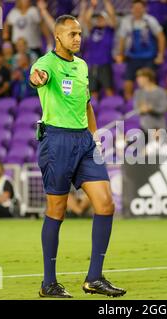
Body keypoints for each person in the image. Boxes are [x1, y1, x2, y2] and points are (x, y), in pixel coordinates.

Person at [29, 15, 126, 298]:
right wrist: (37, 79)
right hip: (56, 141)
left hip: (84, 141)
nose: (78, 38)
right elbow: (37, 77)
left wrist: (94, 138)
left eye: (79, 34)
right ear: (57, 37)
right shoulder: (45, 63)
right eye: (72, 34)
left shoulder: (82, 66)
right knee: (57, 212)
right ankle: (49, 283)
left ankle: (94, 278)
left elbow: (87, 105)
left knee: (106, 204)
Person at [117, 0, 166, 100]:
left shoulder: (150, 20)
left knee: (148, 83)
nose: (137, 10)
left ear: (144, 9)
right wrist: (120, 54)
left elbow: (161, 37)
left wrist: (160, 55)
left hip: (148, 58)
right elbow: (122, 39)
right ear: (132, 9)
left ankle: (150, 103)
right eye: (135, 8)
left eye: (139, 8)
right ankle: (130, 107)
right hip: (132, 57)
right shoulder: (127, 21)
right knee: (128, 84)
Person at [81, 0, 117, 100]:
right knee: (93, 91)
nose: (100, 20)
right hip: (92, 65)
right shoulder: (93, 30)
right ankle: (95, 112)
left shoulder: (109, 30)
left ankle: (111, 109)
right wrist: (92, 6)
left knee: (108, 89)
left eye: (103, 19)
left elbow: (113, 15)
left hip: (105, 63)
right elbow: (86, 19)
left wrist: (106, 3)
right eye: (99, 19)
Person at [134, 68, 167, 138]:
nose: (137, 80)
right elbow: (137, 110)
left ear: (146, 78)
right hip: (144, 128)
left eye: (139, 78)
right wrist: (141, 110)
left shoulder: (161, 92)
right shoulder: (138, 93)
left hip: (159, 129)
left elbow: (163, 109)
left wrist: (151, 109)